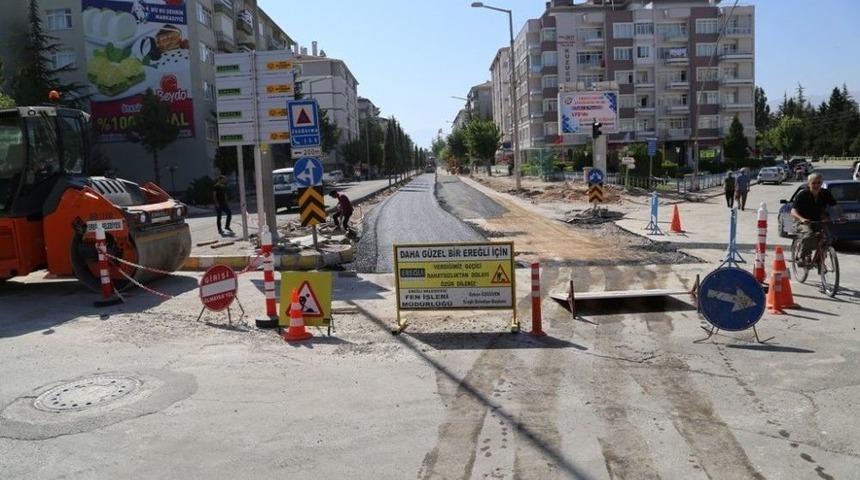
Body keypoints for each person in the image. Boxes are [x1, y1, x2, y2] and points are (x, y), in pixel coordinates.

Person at [790, 173, 843, 265]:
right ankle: (802, 257)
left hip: (818, 221)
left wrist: (840, 216)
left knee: (828, 237)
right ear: (809, 183)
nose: (816, 185)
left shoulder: (825, 193)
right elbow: (793, 211)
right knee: (809, 235)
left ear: (821, 183)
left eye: (819, 183)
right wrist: (802, 219)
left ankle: (819, 258)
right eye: (813, 183)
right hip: (802, 221)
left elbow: (835, 206)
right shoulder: (802, 195)